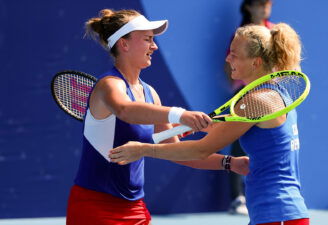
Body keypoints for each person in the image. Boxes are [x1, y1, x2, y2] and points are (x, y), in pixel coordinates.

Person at [109, 23, 310, 225]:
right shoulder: (274, 92)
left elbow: (200, 150)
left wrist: (143, 150)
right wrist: (196, 122)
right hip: (281, 213)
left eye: (234, 54)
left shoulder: (257, 100)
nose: (227, 58)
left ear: (256, 63)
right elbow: (226, 130)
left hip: (277, 215)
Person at [66, 9, 249, 225]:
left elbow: (177, 153)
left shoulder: (150, 93)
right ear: (124, 45)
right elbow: (125, 110)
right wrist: (180, 115)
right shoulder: (109, 85)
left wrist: (231, 163)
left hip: (135, 208)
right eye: (147, 39)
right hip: (95, 207)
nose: (154, 46)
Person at [225, 0, 274, 215]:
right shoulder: (240, 35)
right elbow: (229, 67)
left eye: (267, 3)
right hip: (243, 93)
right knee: (238, 144)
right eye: (259, 3)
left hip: (270, 95)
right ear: (249, 7)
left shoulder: (274, 32)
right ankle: (237, 197)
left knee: (266, 142)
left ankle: (263, 192)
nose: (264, 7)